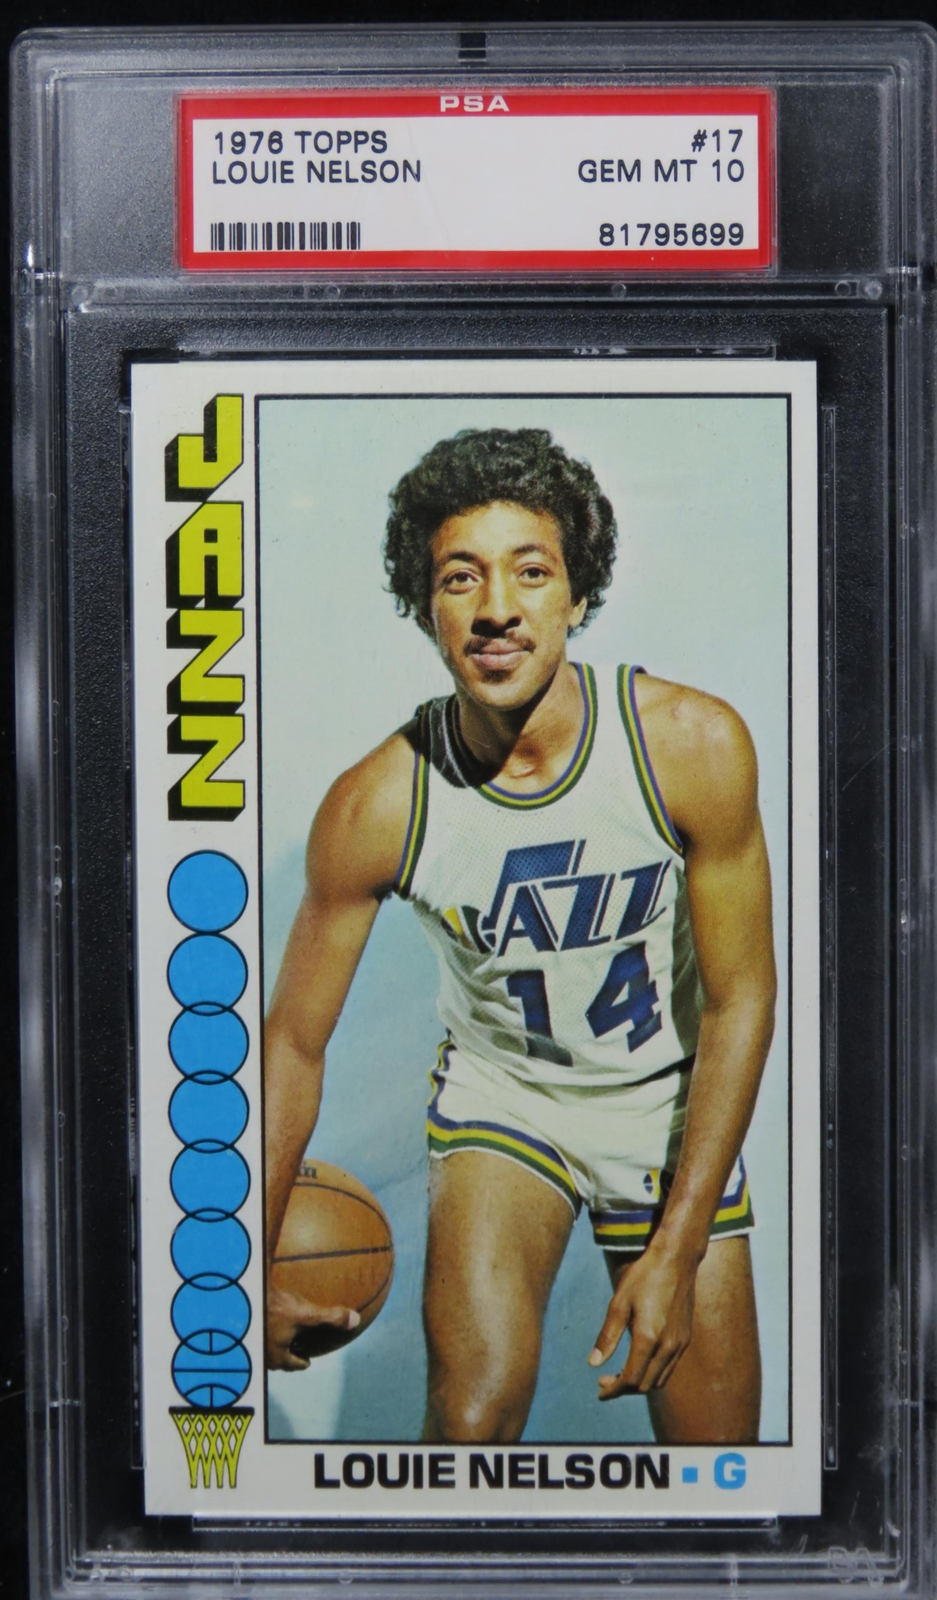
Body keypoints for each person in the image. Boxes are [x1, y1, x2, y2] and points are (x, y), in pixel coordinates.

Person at [264, 427, 776, 1446]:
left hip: (662, 1100)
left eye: (530, 572)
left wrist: (675, 1251)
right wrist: (237, 1267)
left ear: (576, 594)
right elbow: (293, 1043)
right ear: (424, 607)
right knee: (470, 1418)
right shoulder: (377, 804)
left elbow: (739, 1000)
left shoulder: (690, 746)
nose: (496, 606)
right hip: (506, 1100)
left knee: (717, 1462)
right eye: (460, 577)